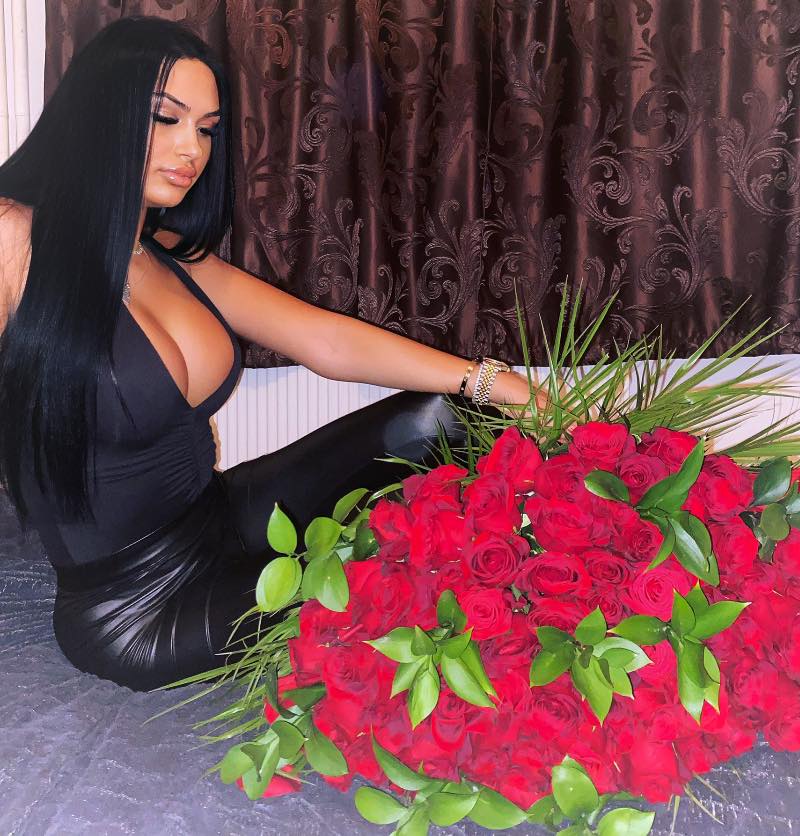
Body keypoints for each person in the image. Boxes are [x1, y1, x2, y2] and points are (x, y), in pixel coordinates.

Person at [0, 17, 538, 692]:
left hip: (219, 517)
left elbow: (325, 340)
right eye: (166, 118)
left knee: (448, 417)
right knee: (385, 591)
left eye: (207, 128)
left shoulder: (171, 256)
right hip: (137, 611)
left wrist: (493, 381)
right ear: (98, 112)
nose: (191, 148)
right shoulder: (14, 237)